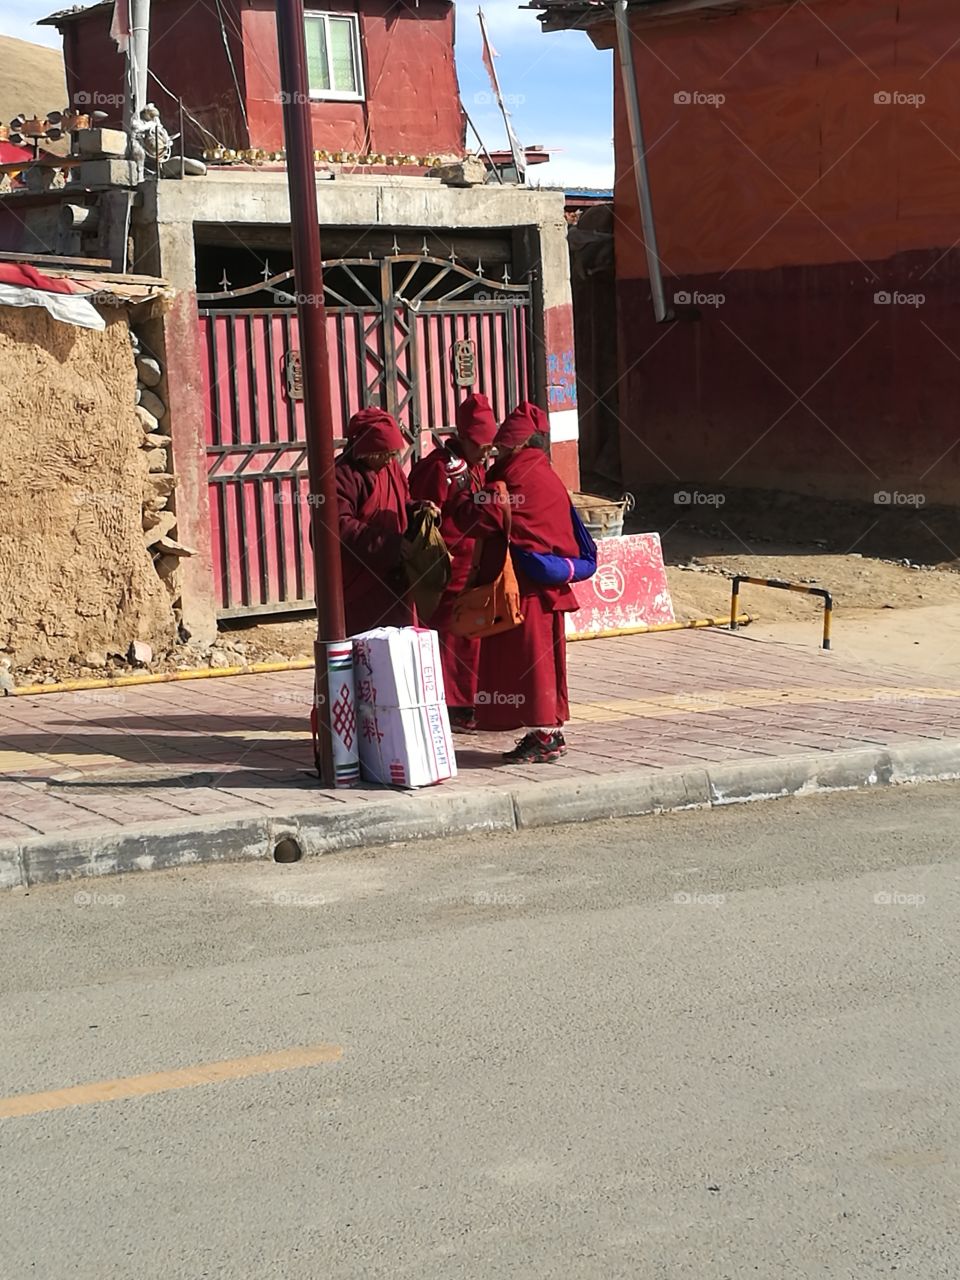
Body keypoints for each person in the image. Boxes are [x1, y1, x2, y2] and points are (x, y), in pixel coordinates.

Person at [450, 401, 579, 763]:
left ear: (519, 445)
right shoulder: (546, 473)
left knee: (532, 664)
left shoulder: (515, 476)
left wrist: (461, 492)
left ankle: (545, 736)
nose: (499, 451)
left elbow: (480, 518)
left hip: (526, 590)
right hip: (546, 584)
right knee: (544, 662)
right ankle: (549, 732)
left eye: (505, 445)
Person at [408, 393, 498, 730]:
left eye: (490, 445)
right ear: (464, 437)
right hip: (446, 569)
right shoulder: (437, 468)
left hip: (473, 567)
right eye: (481, 444)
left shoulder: (476, 468)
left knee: (471, 639)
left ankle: (470, 699)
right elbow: (423, 520)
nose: (486, 452)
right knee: (451, 640)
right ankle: (454, 705)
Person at [335, 407, 420, 636]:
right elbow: (337, 526)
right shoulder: (342, 475)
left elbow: (403, 502)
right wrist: (390, 544)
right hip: (362, 584)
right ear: (366, 450)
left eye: (393, 454)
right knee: (368, 652)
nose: (391, 459)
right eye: (385, 453)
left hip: (395, 579)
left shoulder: (390, 467)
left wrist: (420, 510)